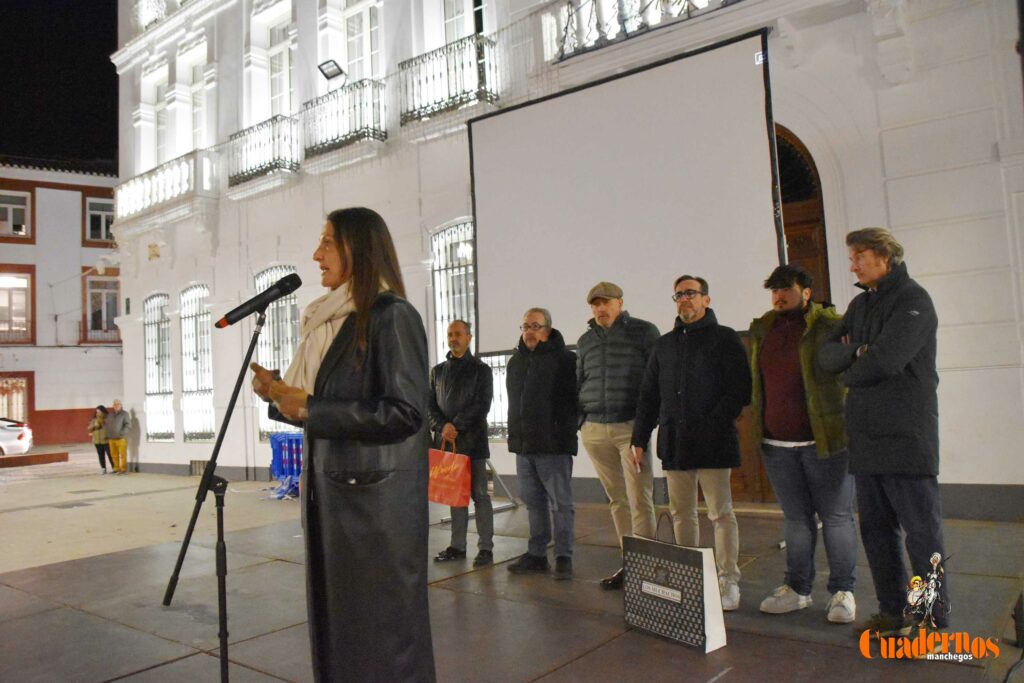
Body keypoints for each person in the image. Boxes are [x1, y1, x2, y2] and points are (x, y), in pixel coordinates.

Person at [251, 207, 435, 682]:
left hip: (374, 513)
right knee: (344, 633)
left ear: (360, 247)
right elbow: (326, 402)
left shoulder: (392, 317)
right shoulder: (339, 320)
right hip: (337, 502)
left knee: (383, 639)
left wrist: (310, 407)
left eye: (328, 242)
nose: (316, 254)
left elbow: (405, 413)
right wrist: (278, 395)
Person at [819, 227, 947, 635]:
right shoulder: (860, 304)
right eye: (852, 256)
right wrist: (858, 351)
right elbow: (826, 354)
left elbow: (886, 361)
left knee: (922, 537)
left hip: (906, 437)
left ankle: (929, 620)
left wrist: (852, 366)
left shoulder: (914, 300)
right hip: (867, 437)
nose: (853, 264)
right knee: (876, 532)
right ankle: (892, 612)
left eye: (859, 256)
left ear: (884, 257)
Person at [631, 275, 750, 611]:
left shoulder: (725, 339)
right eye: (679, 294)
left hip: (713, 441)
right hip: (674, 440)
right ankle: (690, 575)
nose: (685, 299)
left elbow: (741, 390)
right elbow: (649, 395)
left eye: (691, 294)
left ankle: (728, 580)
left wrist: (713, 421)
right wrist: (639, 438)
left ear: (706, 300)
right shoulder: (664, 345)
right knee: (682, 514)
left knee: (720, 514)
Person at [748, 265, 857, 624]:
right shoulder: (763, 328)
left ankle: (843, 592)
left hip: (825, 442)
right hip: (778, 444)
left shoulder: (831, 326)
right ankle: (798, 589)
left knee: (837, 517)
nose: (779, 296)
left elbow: (848, 374)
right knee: (796, 520)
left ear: (806, 291)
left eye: (786, 289)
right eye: (774, 290)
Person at [576, 281, 659, 590]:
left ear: (620, 303)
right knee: (617, 500)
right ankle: (630, 564)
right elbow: (579, 380)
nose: (600, 308)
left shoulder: (644, 332)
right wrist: (581, 421)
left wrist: (645, 427)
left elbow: (655, 379)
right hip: (595, 430)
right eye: (595, 304)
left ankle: (648, 566)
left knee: (640, 498)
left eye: (606, 302)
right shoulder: (586, 341)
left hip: (630, 428)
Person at [505, 307, 578, 580]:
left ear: (547, 329)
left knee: (561, 504)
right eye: (525, 326)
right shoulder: (516, 363)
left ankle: (563, 556)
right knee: (534, 504)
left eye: (535, 326)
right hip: (524, 449)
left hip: (554, 447)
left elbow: (575, 402)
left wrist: (564, 433)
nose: (529, 332)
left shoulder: (565, 360)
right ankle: (536, 554)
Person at [428, 319, 495, 567]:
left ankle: (485, 548)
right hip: (448, 446)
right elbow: (429, 407)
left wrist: (455, 426)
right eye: (449, 334)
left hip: (474, 444)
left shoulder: (482, 370)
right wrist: (442, 426)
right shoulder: (437, 372)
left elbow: (482, 405)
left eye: (458, 334)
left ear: (469, 337)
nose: (453, 338)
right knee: (455, 497)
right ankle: (457, 546)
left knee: (480, 495)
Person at [106, 400, 131, 475]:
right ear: (113, 406)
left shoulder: (125, 414)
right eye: (115, 404)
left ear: (121, 405)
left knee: (122, 454)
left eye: (118, 404)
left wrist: (122, 433)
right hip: (111, 438)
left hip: (121, 438)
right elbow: (106, 424)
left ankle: (123, 469)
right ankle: (116, 469)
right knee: (114, 454)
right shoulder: (110, 415)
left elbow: (128, 425)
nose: (116, 406)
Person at [87, 405, 113, 474]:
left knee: (110, 455)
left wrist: (100, 420)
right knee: (101, 455)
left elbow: (108, 427)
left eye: (99, 412)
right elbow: (89, 428)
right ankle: (103, 468)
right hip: (97, 441)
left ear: (103, 411)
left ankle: (114, 467)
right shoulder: (94, 420)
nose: (98, 413)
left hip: (106, 440)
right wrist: (94, 426)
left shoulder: (107, 419)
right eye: (97, 412)